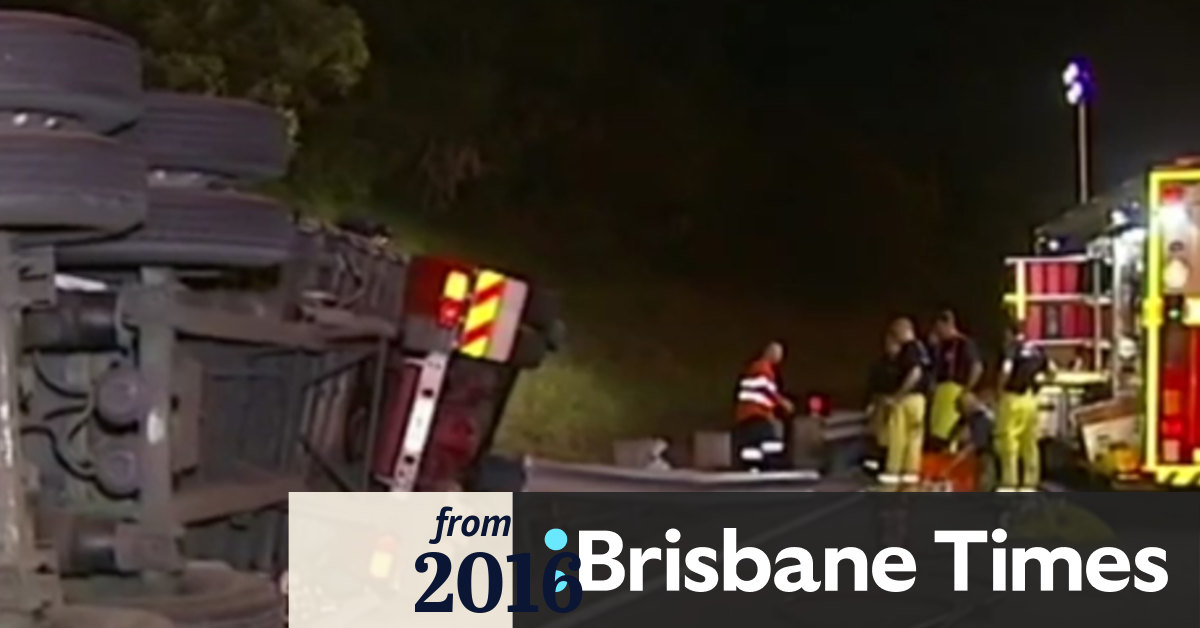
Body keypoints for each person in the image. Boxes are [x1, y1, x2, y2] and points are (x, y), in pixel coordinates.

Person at [996, 321, 1055, 492]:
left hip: (1012, 398)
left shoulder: (1012, 349)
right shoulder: (1037, 350)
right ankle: (1030, 483)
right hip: (1030, 399)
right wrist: (1038, 386)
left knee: (1008, 441)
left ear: (1009, 333)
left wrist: (999, 391)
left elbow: (1006, 371)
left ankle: (1009, 482)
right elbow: (1051, 371)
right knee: (1030, 442)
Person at [879, 318, 931, 490]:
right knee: (914, 441)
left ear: (903, 330)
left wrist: (898, 396)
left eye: (896, 332)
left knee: (897, 439)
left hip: (907, 400)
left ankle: (891, 482)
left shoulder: (910, 348)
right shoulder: (923, 348)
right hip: (919, 402)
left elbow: (914, 373)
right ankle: (910, 481)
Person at [928, 310, 983, 452]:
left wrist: (966, 390)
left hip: (954, 390)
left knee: (949, 432)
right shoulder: (940, 346)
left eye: (939, 327)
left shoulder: (964, 344)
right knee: (936, 432)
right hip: (940, 392)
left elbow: (977, 367)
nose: (938, 331)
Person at [734, 341, 795, 471]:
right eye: (779, 354)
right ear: (771, 353)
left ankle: (753, 468)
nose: (780, 358)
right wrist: (783, 403)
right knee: (770, 443)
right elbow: (767, 390)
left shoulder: (755, 367)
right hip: (758, 414)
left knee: (752, 447)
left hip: (747, 416)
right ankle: (770, 467)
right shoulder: (764, 368)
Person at [864, 334, 901, 475]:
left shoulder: (901, 366)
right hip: (880, 402)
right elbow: (872, 386)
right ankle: (876, 464)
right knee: (878, 435)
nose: (889, 348)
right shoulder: (879, 364)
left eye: (893, 344)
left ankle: (888, 465)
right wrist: (870, 403)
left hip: (895, 404)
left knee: (892, 437)